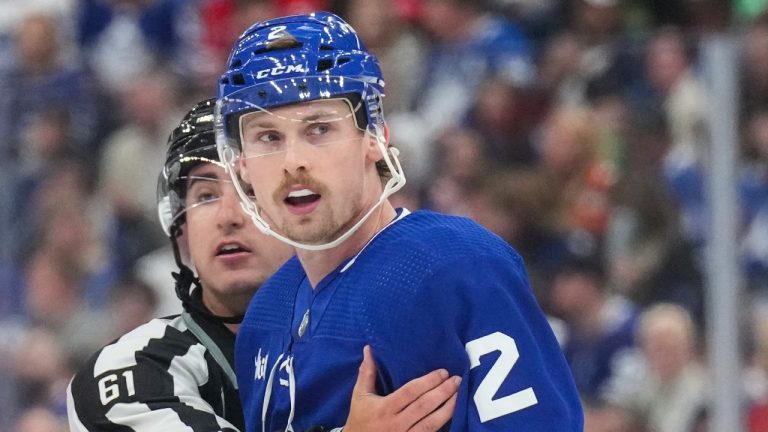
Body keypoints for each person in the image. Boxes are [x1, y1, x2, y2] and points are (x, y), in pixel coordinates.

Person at [215, 11, 583, 431]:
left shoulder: (456, 266)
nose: (293, 161)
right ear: (241, 164)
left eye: (318, 128)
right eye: (268, 137)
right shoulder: (264, 316)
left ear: (375, 137)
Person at [66, 99, 460, 431]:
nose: (228, 216)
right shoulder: (131, 369)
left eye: (250, 192)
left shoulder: (385, 329)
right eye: (204, 194)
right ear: (180, 228)